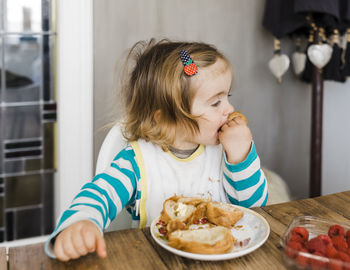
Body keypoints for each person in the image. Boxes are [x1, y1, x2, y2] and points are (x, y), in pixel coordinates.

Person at [45, 38, 268, 261]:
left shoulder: (226, 152)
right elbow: (101, 194)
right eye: (215, 102)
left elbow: (255, 210)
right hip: (155, 261)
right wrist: (81, 222)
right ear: (165, 120)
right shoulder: (137, 161)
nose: (229, 109)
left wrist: (240, 156)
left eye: (226, 97)